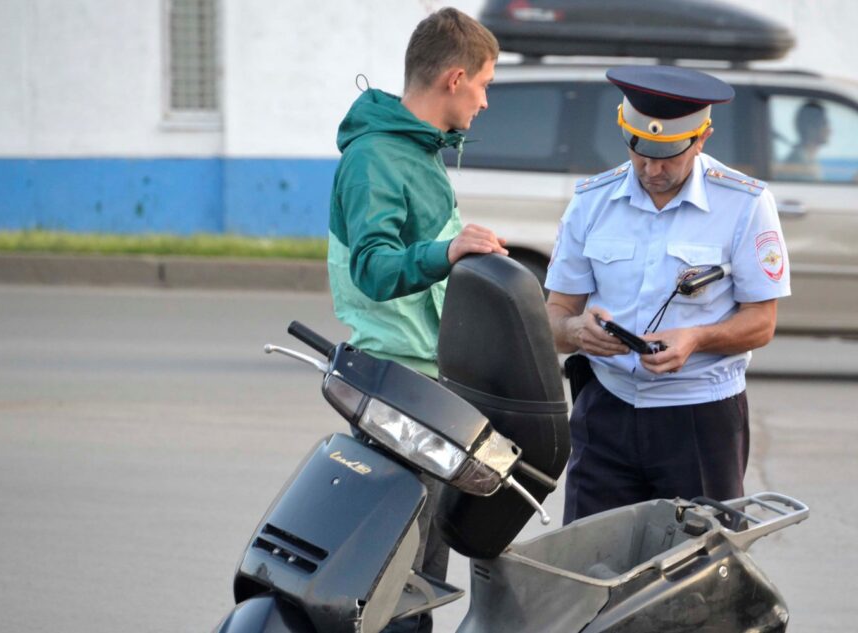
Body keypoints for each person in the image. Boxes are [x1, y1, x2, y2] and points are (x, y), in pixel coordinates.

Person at [545, 65, 791, 525]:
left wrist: (696, 338)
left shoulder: (745, 203)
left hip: (698, 416)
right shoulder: (592, 200)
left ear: (702, 138)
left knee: (697, 574)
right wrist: (577, 331)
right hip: (606, 411)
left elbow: (762, 322)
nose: (651, 169)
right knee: (590, 568)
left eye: (668, 156)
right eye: (640, 152)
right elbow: (555, 316)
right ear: (624, 128)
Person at [327, 8, 505, 632]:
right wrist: (449, 252)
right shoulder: (376, 158)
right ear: (454, 79)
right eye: (484, 85)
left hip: (427, 387)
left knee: (424, 575)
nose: (485, 102)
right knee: (396, 584)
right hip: (396, 387)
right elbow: (374, 268)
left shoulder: (419, 154)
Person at [780, 100, 830, 181]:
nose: (829, 129)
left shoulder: (806, 158)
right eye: (824, 123)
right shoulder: (799, 164)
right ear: (811, 128)